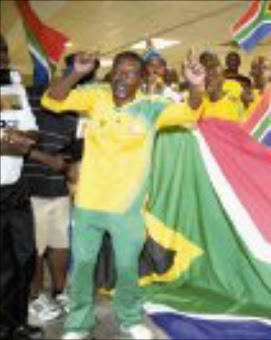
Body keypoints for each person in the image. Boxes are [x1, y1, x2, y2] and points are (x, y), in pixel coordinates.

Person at [41, 50, 205, 340]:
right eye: (118, 70)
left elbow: (191, 111)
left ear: (142, 79)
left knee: (127, 267)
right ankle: (78, 324)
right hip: (88, 203)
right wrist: (76, 72)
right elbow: (53, 99)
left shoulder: (152, 107)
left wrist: (195, 85)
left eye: (130, 72)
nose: (121, 77)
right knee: (82, 267)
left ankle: (129, 319)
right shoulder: (95, 95)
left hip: (127, 209)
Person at [25, 53, 98, 325]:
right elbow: (15, 138)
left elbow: (75, 148)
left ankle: (58, 291)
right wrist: (48, 159)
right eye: (78, 72)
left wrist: (71, 165)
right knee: (34, 248)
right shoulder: (30, 96)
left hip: (58, 189)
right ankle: (34, 299)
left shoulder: (76, 106)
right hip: (30, 187)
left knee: (60, 245)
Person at [0, 34, 44, 340]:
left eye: (3, 50)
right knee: (2, 265)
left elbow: (30, 128)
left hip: (15, 187)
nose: (1, 56)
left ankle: (18, 321)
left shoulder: (11, 88)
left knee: (25, 258)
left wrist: (26, 139)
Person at [200, 55, 246, 123]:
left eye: (214, 76)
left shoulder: (234, 89)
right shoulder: (200, 102)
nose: (210, 79)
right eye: (206, 76)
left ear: (222, 77)